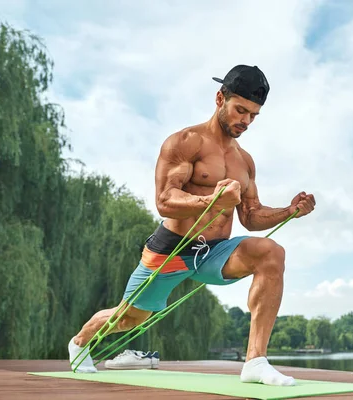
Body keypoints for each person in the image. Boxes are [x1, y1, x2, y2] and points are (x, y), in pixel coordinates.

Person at [68, 64, 316, 386]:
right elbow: (164, 200)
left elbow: (251, 216)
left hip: (213, 250)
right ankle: (79, 343)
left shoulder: (245, 161)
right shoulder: (186, 142)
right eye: (241, 110)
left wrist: (289, 211)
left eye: (253, 115)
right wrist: (210, 201)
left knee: (271, 252)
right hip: (172, 249)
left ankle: (255, 360)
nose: (245, 121)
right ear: (219, 98)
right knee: (128, 318)